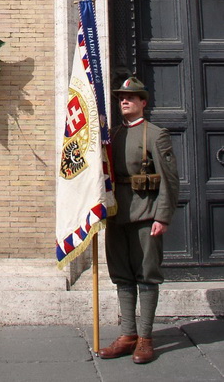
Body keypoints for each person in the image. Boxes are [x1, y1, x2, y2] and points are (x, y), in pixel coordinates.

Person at [99, 77, 179, 364]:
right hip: (117, 215)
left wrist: (163, 216)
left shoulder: (156, 135)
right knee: (121, 275)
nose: (124, 101)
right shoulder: (113, 135)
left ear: (143, 102)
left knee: (146, 276)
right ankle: (127, 334)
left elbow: (170, 180)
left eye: (131, 98)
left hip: (146, 215)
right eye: (121, 97)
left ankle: (145, 338)